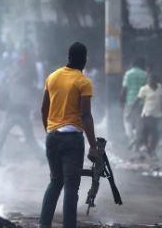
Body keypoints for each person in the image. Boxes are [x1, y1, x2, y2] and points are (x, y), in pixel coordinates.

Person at [39, 42, 99, 228]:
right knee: (71, 188)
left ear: (69, 56)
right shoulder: (83, 82)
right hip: (73, 139)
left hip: (53, 137)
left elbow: (43, 109)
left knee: (55, 182)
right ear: (84, 59)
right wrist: (93, 146)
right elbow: (85, 115)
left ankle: (44, 225)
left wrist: (50, 131)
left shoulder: (52, 77)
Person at [130, 73, 162, 158]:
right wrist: (131, 110)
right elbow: (138, 100)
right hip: (147, 113)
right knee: (149, 131)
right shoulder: (144, 89)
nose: (150, 81)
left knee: (156, 133)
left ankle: (151, 149)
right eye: (149, 79)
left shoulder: (160, 87)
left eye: (151, 79)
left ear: (155, 81)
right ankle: (149, 149)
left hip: (158, 114)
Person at [121, 58, 147, 147]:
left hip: (130, 101)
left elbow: (124, 88)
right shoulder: (145, 74)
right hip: (141, 102)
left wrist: (121, 100)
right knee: (139, 122)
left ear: (132, 64)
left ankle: (132, 138)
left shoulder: (128, 74)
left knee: (127, 121)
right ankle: (137, 140)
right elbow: (146, 89)